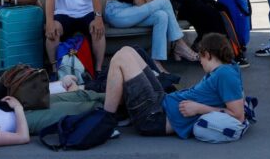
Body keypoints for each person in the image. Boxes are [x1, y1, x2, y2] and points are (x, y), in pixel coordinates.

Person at [102, 33, 245, 139]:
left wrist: (199, 109)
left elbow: (238, 116)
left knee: (121, 58)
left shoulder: (226, 75)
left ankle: (105, 123)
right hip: (161, 102)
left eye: (200, 57)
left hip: (154, 117)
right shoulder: (225, 70)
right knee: (129, 51)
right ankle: (120, 112)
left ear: (207, 54)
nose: (200, 62)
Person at [0, 88, 106, 145]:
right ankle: (119, 107)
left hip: (23, 108)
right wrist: (17, 108)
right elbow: (22, 137)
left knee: (79, 95)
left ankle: (115, 93)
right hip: (27, 119)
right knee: (80, 107)